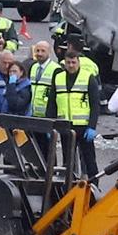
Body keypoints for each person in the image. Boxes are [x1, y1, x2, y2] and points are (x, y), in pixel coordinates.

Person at [47, 50, 101, 186]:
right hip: (65, 127)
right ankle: (69, 186)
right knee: (68, 160)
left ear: (78, 62)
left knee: (89, 160)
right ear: (64, 63)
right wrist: (49, 125)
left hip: (83, 127)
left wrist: (92, 126)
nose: (71, 65)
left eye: (73, 62)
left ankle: (94, 185)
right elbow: (52, 103)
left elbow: (95, 105)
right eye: (68, 62)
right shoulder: (58, 78)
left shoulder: (88, 78)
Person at [27, 40, 61, 118]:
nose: (39, 54)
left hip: (47, 116)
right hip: (31, 114)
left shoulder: (56, 69)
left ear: (49, 52)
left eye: (43, 51)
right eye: (37, 51)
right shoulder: (33, 67)